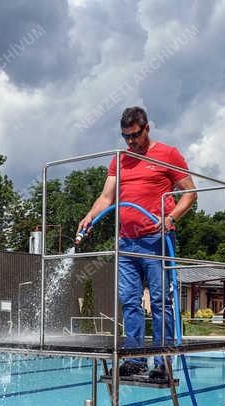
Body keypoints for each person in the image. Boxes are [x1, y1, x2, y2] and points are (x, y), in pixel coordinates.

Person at [77, 106, 196, 379]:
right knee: (130, 301)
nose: (130, 142)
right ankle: (135, 359)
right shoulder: (120, 159)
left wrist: (171, 216)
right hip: (126, 242)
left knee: (160, 301)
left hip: (157, 240)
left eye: (135, 135)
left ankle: (163, 361)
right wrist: (90, 215)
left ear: (146, 128)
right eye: (125, 136)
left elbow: (190, 193)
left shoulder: (168, 154)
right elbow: (107, 197)